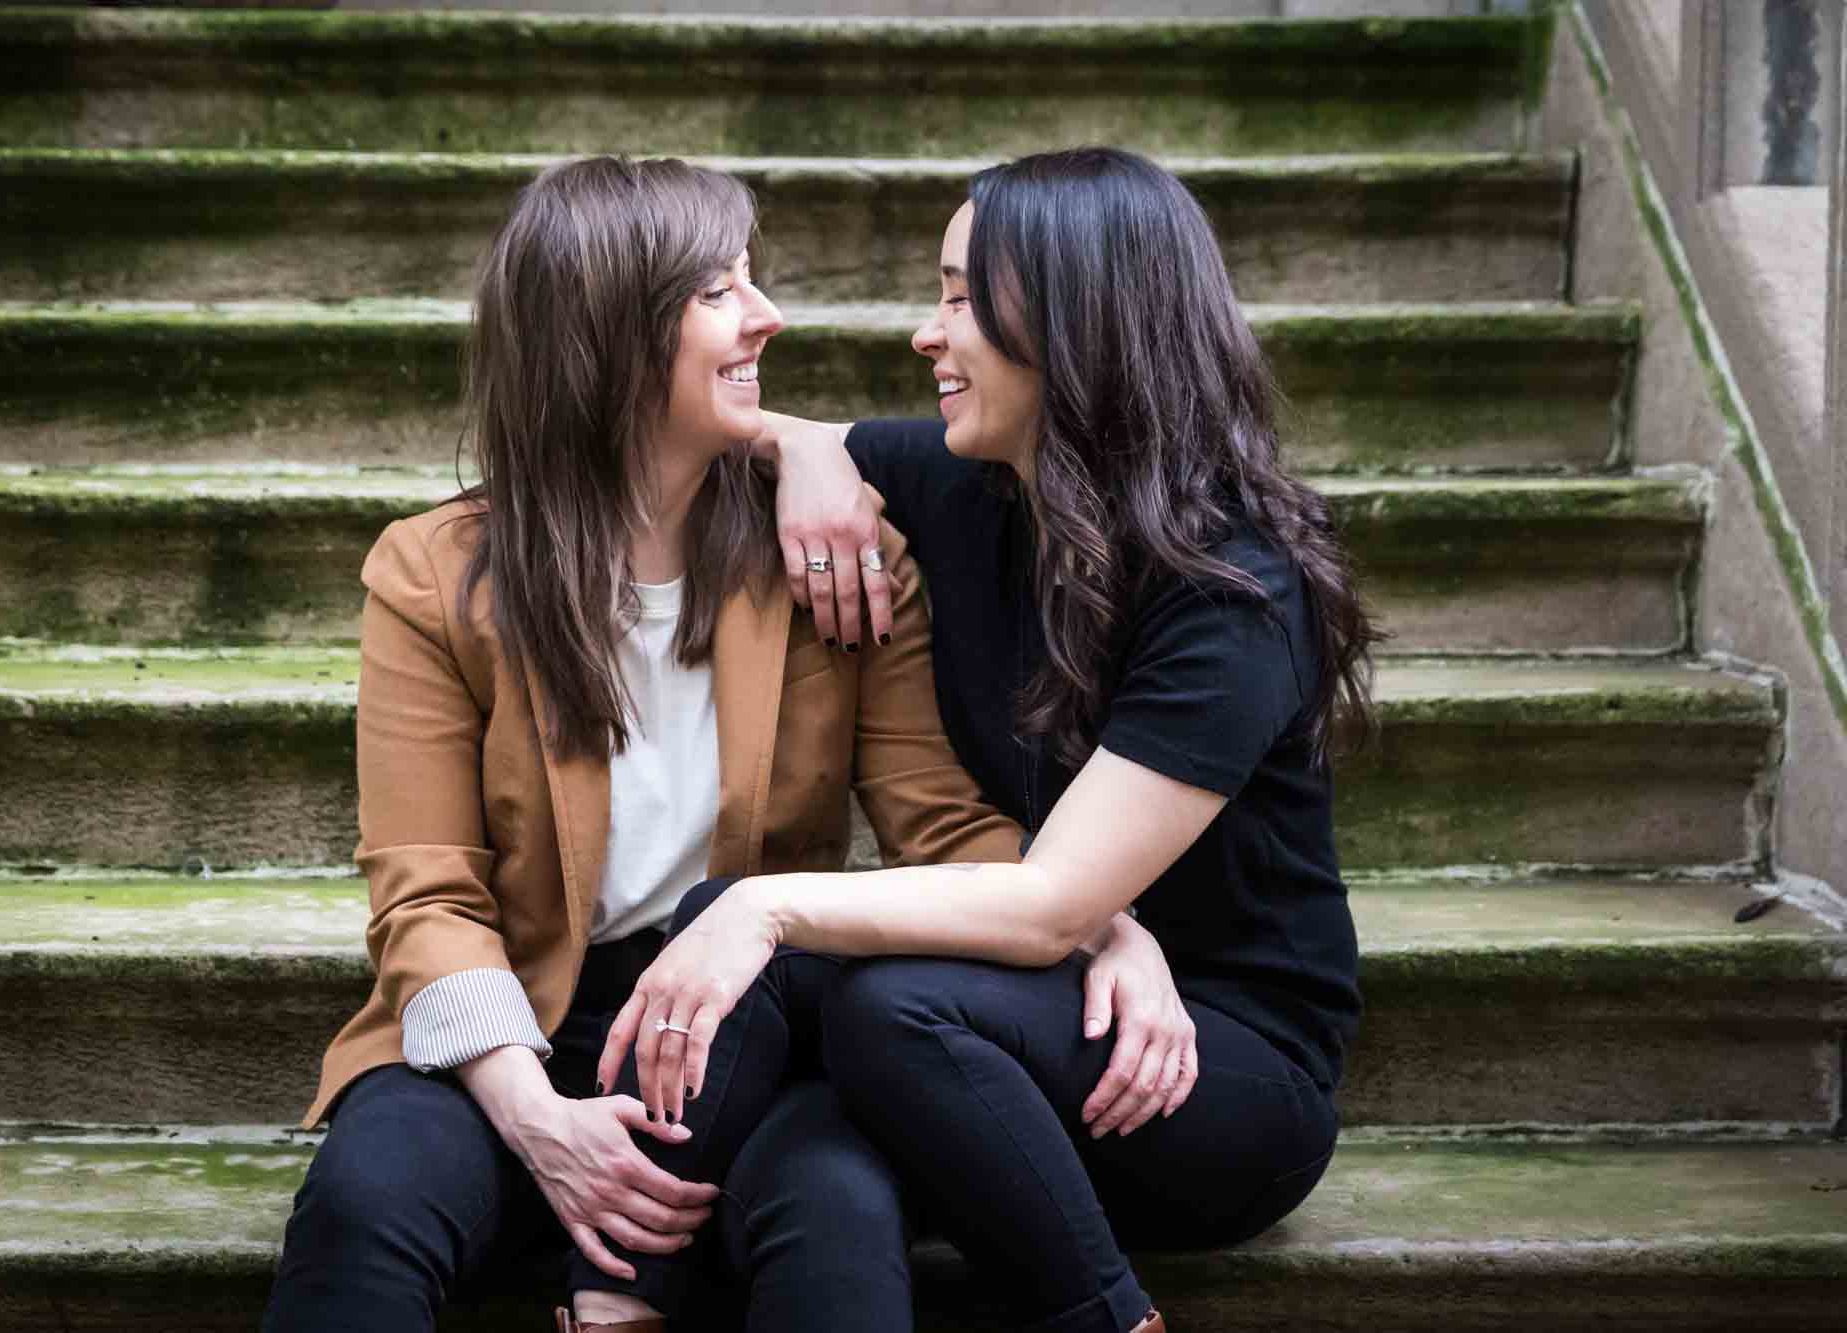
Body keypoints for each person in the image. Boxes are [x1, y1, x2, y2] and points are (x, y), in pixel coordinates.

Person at [259, 154, 1181, 1333]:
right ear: (606, 333)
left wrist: (1101, 919)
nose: (766, 315)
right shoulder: (431, 575)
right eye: (716, 290)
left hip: (741, 1024)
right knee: (361, 1205)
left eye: (752, 278)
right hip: (509, 1023)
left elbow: (940, 827)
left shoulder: (834, 563)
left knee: (839, 1216)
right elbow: (424, 894)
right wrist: (536, 1118)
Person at [600, 146, 1379, 1333]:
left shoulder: (1231, 585)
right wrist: (806, 455)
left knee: (859, 990)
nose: (927, 336)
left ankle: (1105, 1317)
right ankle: (617, 1299)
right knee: (744, 962)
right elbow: (751, 424)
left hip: (1207, 1073)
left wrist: (771, 904)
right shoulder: (975, 486)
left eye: (962, 299)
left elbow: (1052, 902)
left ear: (1072, 322)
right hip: (1022, 1014)